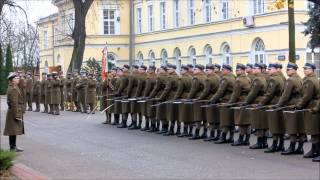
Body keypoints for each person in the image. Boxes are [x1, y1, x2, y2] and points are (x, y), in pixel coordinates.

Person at [4, 72, 25, 152]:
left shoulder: (13, 87)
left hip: (12, 112)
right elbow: (14, 103)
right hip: (14, 112)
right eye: (16, 78)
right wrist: (17, 115)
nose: (18, 79)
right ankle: (12, 147)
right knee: (13, 130)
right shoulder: (13, 89)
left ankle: (13, 146)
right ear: (12, 80)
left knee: (13, 130)